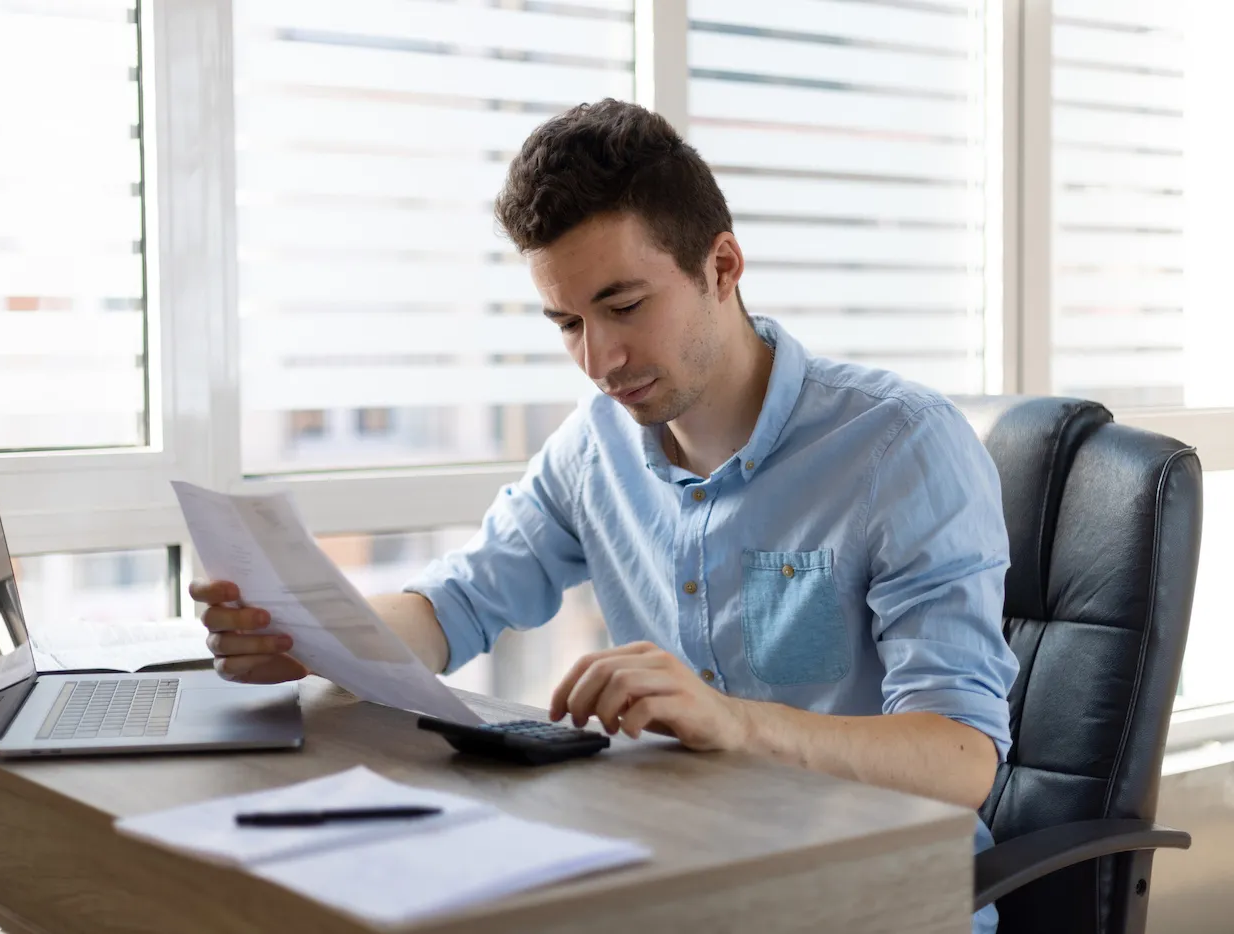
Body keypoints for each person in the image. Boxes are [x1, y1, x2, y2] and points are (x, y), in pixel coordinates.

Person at [192, 99, 1018, 934]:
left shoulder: (899, 445)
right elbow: (456, 606)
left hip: (874, 897)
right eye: (568, 323)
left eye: (624, 307)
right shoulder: (597, 448)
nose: (599, 360)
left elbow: (961, 757)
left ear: (722, 266)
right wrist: (307, 636)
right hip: (678, 872)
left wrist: (734, 723)